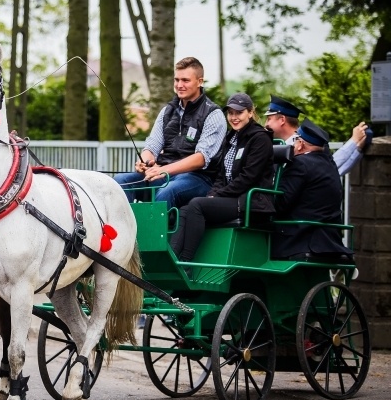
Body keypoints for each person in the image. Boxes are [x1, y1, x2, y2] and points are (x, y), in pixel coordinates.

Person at [170, 93, 275, 268]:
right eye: (231, 113)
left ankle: (186, 263)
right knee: (185, 209)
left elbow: (248, 178)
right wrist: (213, 194)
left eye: (239, 113)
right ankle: (172, 261)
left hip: (251, 200)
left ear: (250, 113)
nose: (234, 118)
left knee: (196, 205)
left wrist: (217, 195)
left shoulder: (260, 138)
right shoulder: (231, 138)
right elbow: (221, 175)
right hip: (231, 197)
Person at [114, 57, 227, 210]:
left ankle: (158, 233)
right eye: (177, 80)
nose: (179, 85)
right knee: (121, 181)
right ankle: (127, 231)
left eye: (185, 80)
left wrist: (163, 170)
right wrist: (145, 162)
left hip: (198, 178)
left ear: (200, 81)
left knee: (168, 191)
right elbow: (152, 144)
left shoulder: (213, 114)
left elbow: (201, 158)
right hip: (164, 173)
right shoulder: (167, 111)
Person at [271, 119, 353, 260]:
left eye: (296, 140)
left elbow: (280, 203)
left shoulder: (300, 164)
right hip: (329, 241)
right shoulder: (330, 165)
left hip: (300, 240)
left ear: (301, 144)